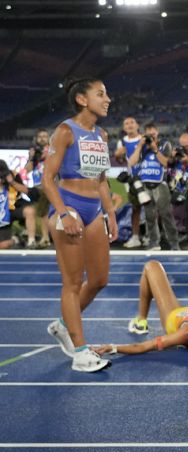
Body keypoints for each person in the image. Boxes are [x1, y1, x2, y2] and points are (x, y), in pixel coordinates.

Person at [41, 78, 118, 372]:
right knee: (72, 283)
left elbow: (100, 180)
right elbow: (47, 179)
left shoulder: (102, 135)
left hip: (94, 209)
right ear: (82, 100)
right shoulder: (64, 131)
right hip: (68, 204)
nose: (108, 99)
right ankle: (81, 353)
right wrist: (63, 214)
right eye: (101, 94)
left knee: (99, 280)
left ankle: (62, 325)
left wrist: (110, 213)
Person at [127, 122, 180, 251]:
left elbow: (166, 163)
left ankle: (174, 244)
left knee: (166, 215)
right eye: (148, 131)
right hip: (146, 185)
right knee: (150, 216)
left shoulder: (164, 144)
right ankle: (154, 242)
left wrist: (155, 148)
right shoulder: (142, 147)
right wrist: (139, 146)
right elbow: (131, 162)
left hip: (160, 184)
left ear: (157, 132)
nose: (151, 133)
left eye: (153, 131)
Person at [115, 116, 144, 248]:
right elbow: (121, 161)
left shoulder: (144, 139)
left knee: (152, 210)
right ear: (123, 128)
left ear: (137, 125)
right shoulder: (122, 142)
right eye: (126, 123)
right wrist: (118, 156)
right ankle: (136, 236)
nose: (129, 125)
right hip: (132, 179)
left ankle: (151, 235)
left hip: (147, 177)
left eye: (132, 122)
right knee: (135, 209)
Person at [23, 128, 52, 248]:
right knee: (42, 212)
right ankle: (43, 237)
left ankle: (45, 238)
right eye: (40, 136)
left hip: (51, 185)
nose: (42, 138)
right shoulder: (35, 153)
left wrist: (48, 155)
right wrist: (31, 158)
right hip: (38, 186)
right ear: (36, 138)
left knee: (45, 212)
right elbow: (27, 170)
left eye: (45, 136)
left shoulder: (53, 150)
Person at [0, 160, 38, 249]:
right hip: (1, 215)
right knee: (3, 246)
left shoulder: (13, 175)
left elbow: (27, 191)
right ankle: (15, 239)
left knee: (30, 211)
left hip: (12, 208)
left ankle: (31, 241)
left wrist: (12, 182)